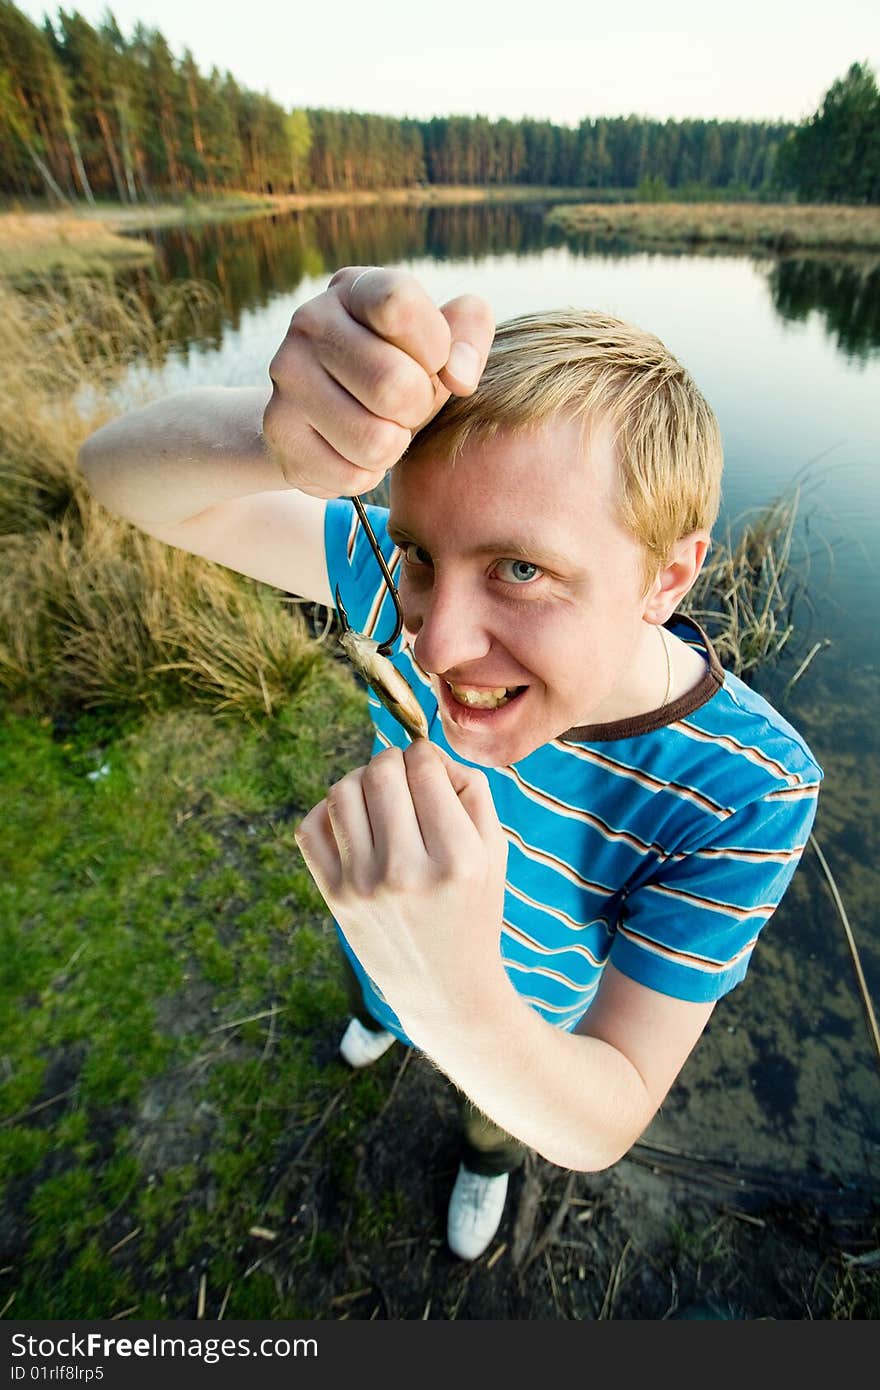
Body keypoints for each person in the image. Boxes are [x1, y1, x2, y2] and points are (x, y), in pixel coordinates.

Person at [78, 265, 822, 1262]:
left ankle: (481, 1160)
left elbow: (603, 1112)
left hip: (524, 1031)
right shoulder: (400, 582)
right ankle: (377, 1019)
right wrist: (275, 436)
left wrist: (457, 999)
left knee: (493, 1111)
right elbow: (118, 474)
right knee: (375, 986)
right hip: (390, 948)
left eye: (522, 569)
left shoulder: (747, 786)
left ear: (665, 576)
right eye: (423, 551)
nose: (430, 647)